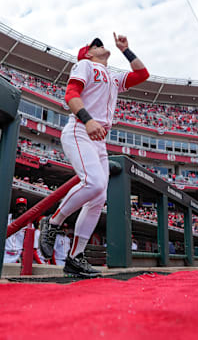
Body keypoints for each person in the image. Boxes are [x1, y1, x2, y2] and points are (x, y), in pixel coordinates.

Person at [38, 33, 149, 277]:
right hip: (80, 129)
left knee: (98, 198)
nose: (100, 45)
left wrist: (126, 50)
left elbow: (142, 75)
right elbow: (71, 95)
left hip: (98, 137)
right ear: (87, 53)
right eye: (94, 45)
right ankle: (53, 221)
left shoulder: (113, 76)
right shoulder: (85, 65)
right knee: (94, 182)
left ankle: (75, 257)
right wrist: (87, 120)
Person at [4, 197, 28, 264]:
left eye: (23, 206)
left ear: (26, 208)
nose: (20, 208)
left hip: (18, 255)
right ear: (15, 207)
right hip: (5, 253)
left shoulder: (28, 223)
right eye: (19, 205)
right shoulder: (7, 218)